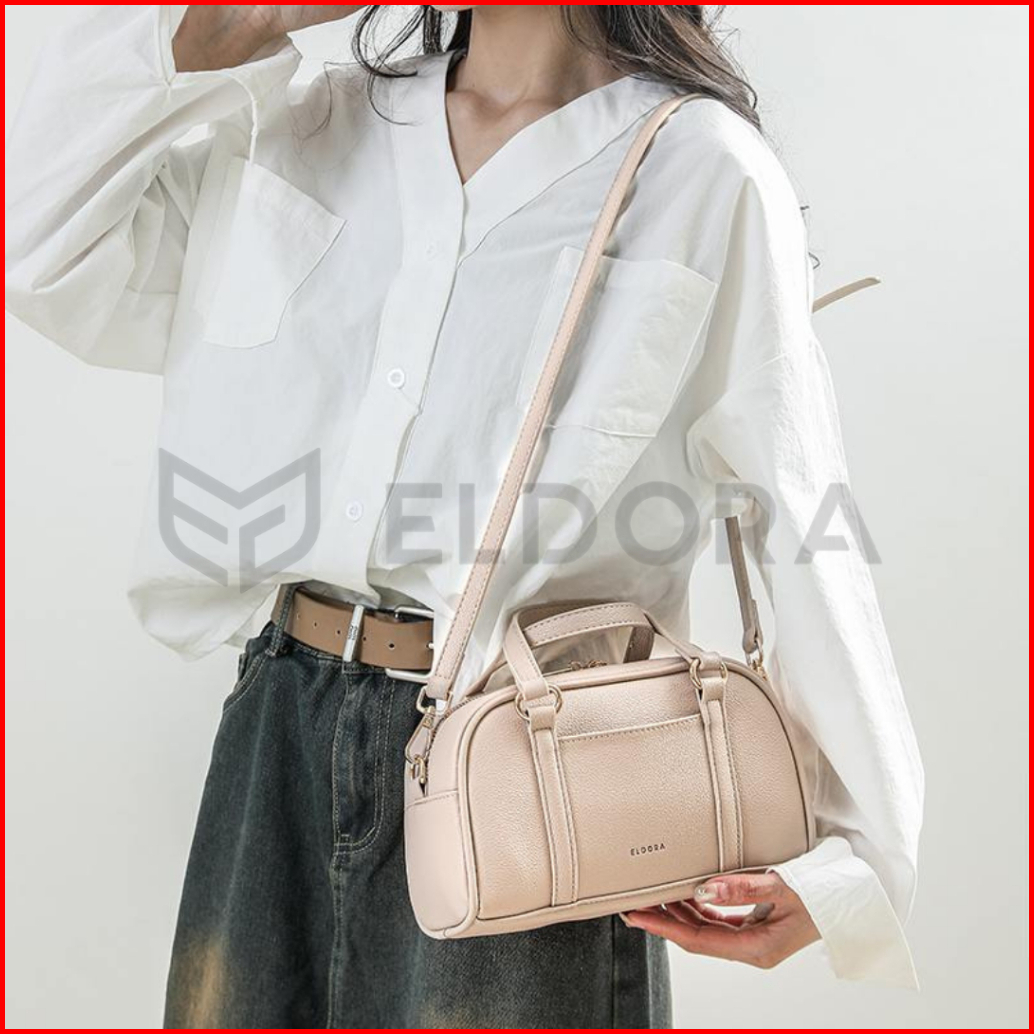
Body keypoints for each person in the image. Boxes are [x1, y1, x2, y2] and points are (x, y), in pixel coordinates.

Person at [5, 5, 924, 1029]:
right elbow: (42, 251)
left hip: (530, 761)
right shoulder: (315, 121)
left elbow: (798, 503)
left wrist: (855, 861)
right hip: (277, 729)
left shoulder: (699, 170)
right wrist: (239, 21)